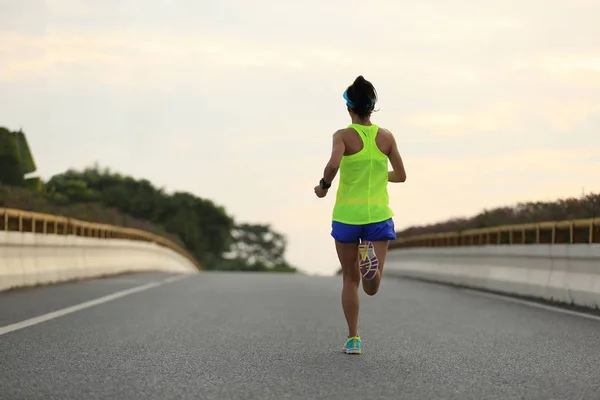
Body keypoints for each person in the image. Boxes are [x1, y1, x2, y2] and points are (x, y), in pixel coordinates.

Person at [314, 75, 407, 355]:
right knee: (371, 286)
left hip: (347, 217)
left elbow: (333, 164)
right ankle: (373, 268)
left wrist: (324, 186)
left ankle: (353, 338)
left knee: (349, 280)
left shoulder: (342, 136)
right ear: (373, 106)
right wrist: (378, 174)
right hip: (377, 216)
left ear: (348, 108)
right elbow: (401, 176)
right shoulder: (387, 137)